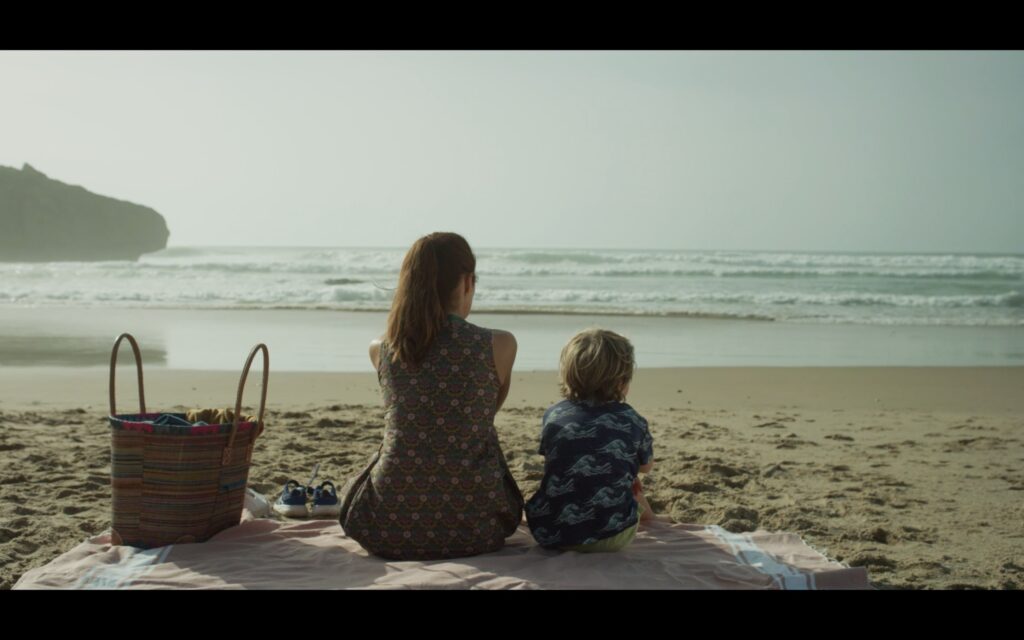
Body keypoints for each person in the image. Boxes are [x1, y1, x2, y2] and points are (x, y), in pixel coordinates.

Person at [339, 232, 523, 560]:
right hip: (477, 525)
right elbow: (483, 414)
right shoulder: (500, 345)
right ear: (467, 282)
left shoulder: (381, 349)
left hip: (386, 525)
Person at [525, 328, 660, 552]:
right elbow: (646, 467)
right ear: (622, 381)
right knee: (628, 473)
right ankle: (651, 519)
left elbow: (553, 460)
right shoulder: (632, 419)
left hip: (550, 535)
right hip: (613, 538)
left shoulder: (554, 415)